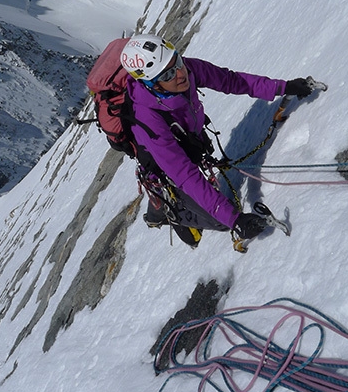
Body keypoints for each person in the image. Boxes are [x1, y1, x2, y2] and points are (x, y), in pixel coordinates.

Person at [121, 33, 316, 243]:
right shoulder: (147, 120)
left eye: (177, 60)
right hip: (165, 167)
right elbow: (185, 175)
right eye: (167, 75)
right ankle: (166, 211)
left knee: (215, 200)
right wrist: (235, 220)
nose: (180, 73)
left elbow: (230, 81)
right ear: (152, 84)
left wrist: (282, 87)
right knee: (221, 220)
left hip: (187, 139)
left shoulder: (188, 68)